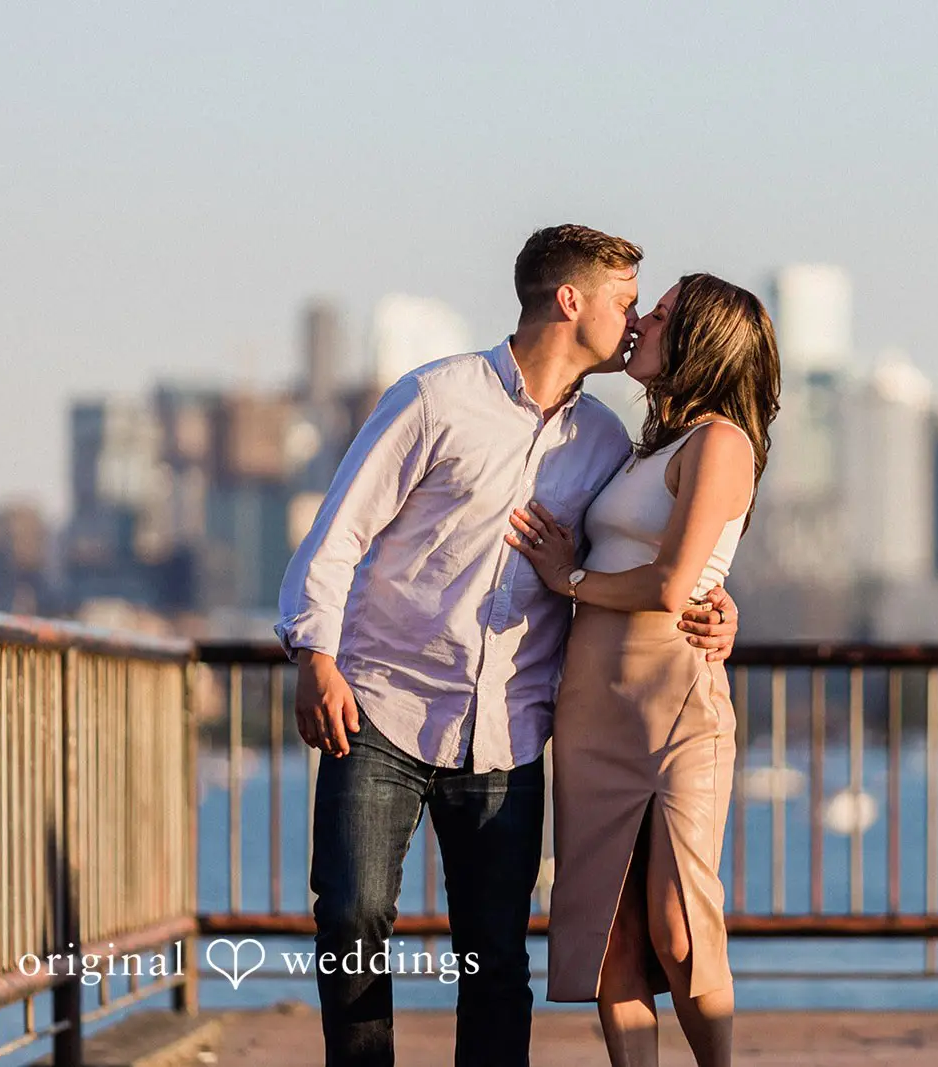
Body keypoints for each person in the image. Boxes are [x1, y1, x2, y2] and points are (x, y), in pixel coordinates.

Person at [274, 226, 742, 1067]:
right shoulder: (433, 398)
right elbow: (336, 534)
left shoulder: (605, 444)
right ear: (571, 301)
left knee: (494, 958)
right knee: (350, 916)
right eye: (626, 301)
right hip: (382, 707)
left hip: (509, 732)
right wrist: (314, 653)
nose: (636, 320)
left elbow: (643, 553)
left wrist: (717, 601)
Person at [507, 272, 780, 1067]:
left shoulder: (721, 442)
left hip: (675, 707)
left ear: (698, 340)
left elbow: (671, 586)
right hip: (592, 713)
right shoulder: (644, 450)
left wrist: (573, 581)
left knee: (679, 921)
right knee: (610, 935)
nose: (639, 324)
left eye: (657, 315)